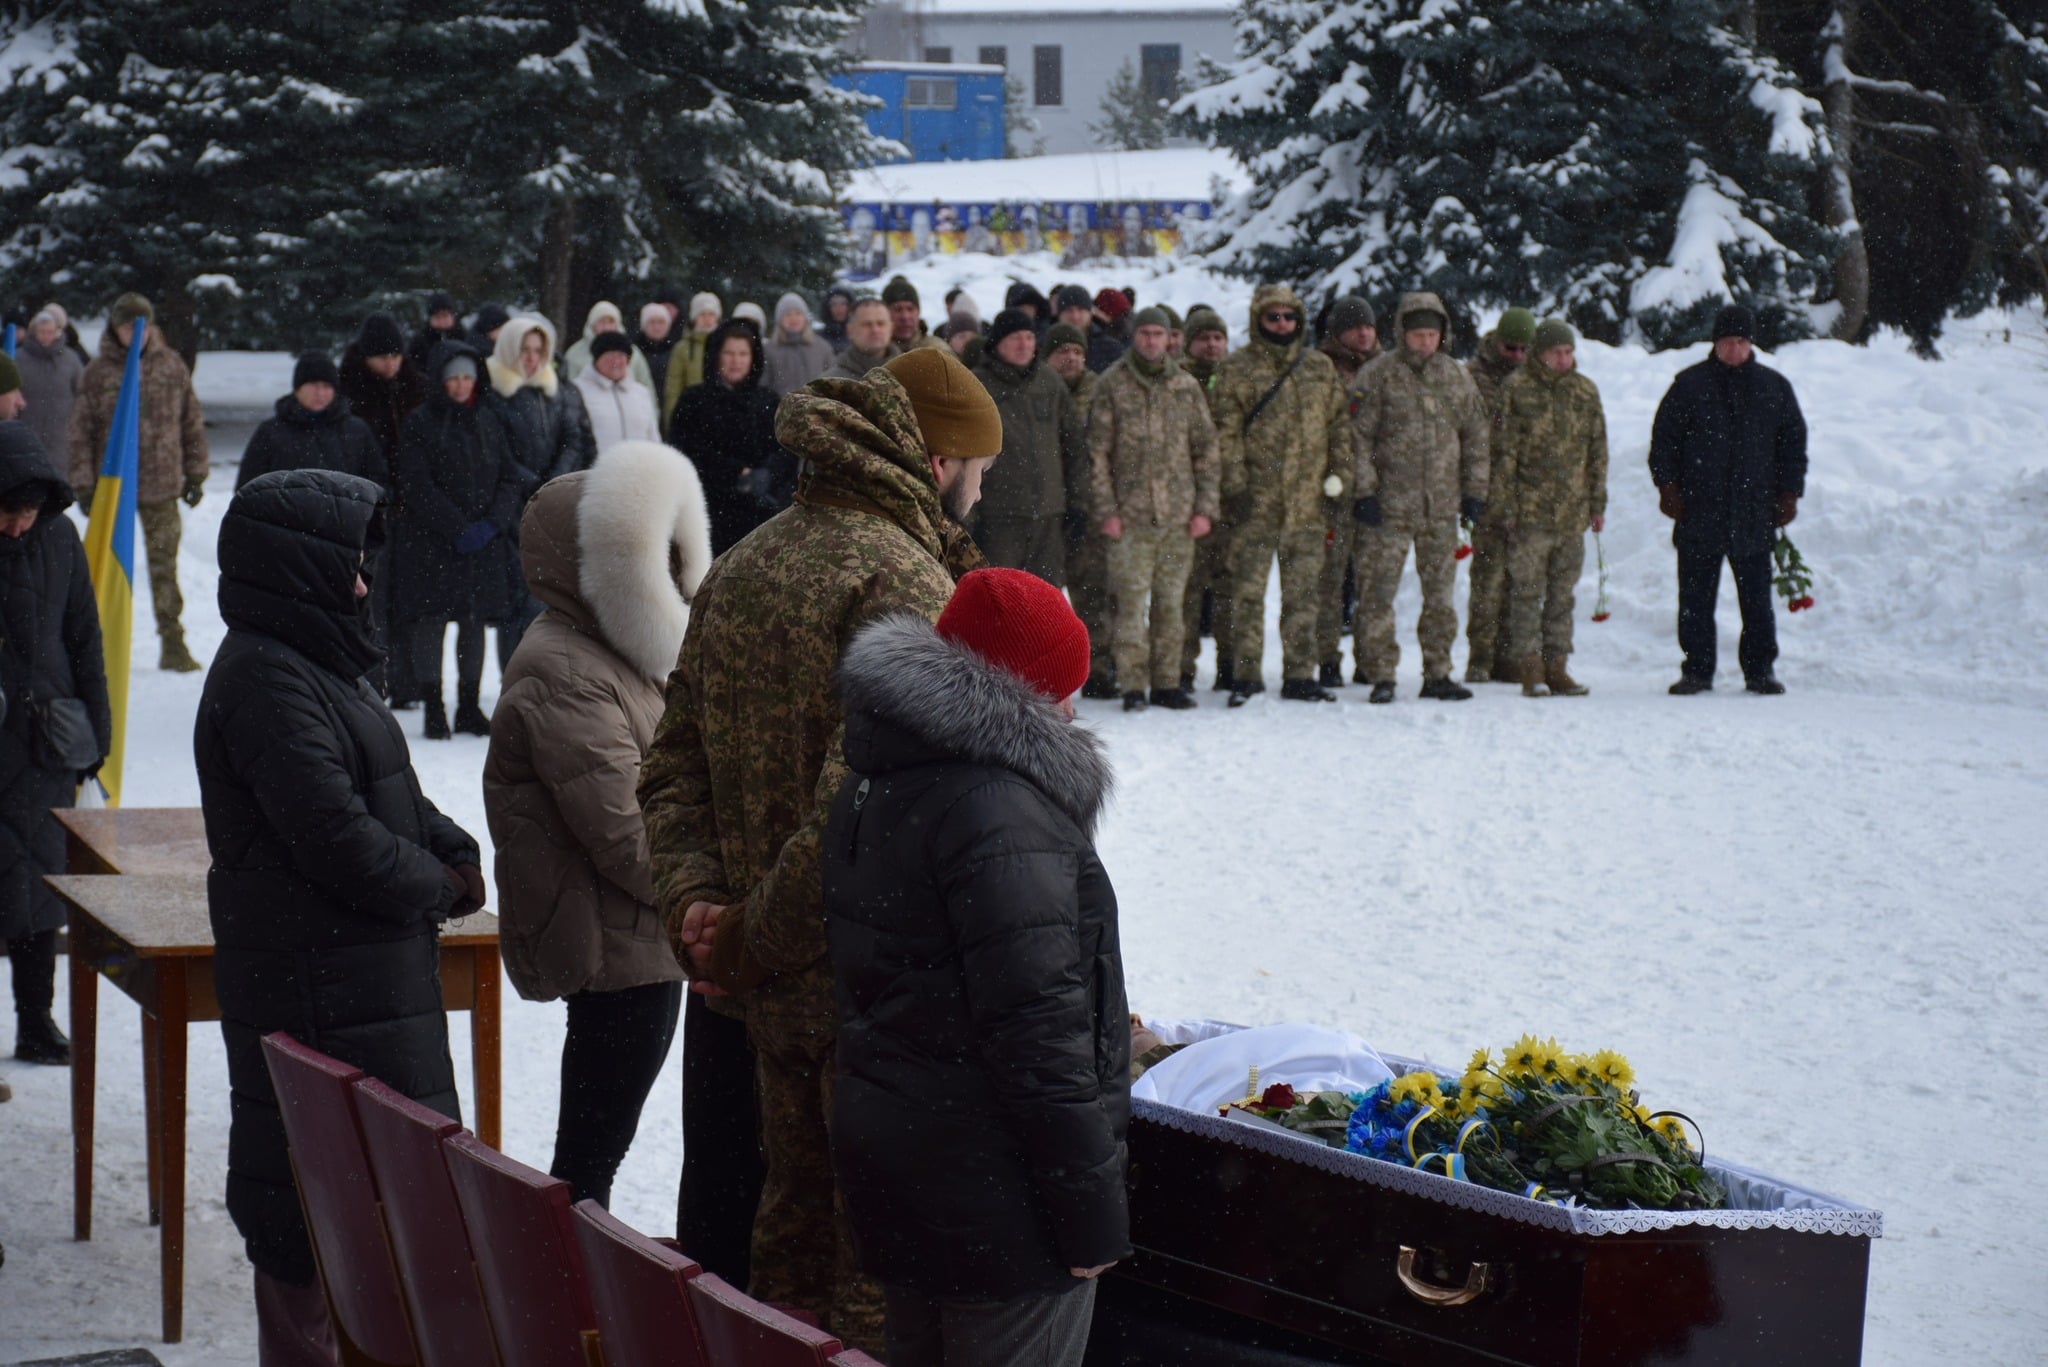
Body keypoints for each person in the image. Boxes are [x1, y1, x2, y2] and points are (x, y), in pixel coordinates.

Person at [638, 346, 996, 1352]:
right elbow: (862, 815)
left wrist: (697, 907)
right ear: (936, 463)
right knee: (858, 1299)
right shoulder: (906, 580)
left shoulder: (744, 560)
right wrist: (741, 938)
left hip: (738, 1012)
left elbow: (671, 767)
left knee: (754, 1281)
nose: (981, 492)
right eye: (978, 469)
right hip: (857, 1013)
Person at [194, 467, 484, 1367]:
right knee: (311, 1226)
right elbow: (337, 837)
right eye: (348, 566)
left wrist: (451, 845)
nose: (362, 584)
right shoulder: (264, 678)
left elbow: (391, 791)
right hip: (317, 992)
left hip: (362, 990)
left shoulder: (318, 661)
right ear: (297, 569)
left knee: (379, 1225)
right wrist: (436, 884)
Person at [824, 568, 1128, 1367]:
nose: (1074, 709)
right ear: (1025, 690)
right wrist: (1091, 1218)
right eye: (1065, 687)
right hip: (1003, 1208)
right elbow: (1038, 1036)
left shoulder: (881, 777)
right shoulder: (1002, 811)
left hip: (907, 1176)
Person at [483, 442, 711, 1207]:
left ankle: (568, 1261)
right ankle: (564, 1271)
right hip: (613, 947)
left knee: (594, 1151)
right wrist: (711, 889)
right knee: (589, 1161)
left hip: (638, 938)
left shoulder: (615, 650)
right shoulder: (565, 668)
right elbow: (625, 833)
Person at [0, 424, 110, 1066]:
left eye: (26, 514)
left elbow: (84, 635)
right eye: (7, 513)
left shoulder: (61, 537)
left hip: (45, 742)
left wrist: (97, 732)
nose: (17, 526)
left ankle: (35, 1020)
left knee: (36, 892)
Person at [1650, 303, 1807, 696]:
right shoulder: (1689, 386)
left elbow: (1793, 445)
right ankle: (1697, 670)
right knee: (1695, 599)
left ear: (1751, 344)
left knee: (1756, 600)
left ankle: (1760, 670)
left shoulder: (1774, 388)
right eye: (1726, 342)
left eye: (1741, 341)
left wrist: (1789, 493)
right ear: (1715, 343)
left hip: (1754, 512)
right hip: (1698, 511)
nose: (1734, 349)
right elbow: (1664, 441)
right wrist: (1668, 488)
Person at [1350, 292, 1490, 705]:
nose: (1425, 342)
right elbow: (1358, 437)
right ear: (1402, 334)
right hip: (1388, 507)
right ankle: (1381, 672)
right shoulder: (1379, 374)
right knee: (1378, 592)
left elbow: (1476, 438)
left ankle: (1438, 671)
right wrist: (1364, 490)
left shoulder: (1456, 377)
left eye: (1432, 335)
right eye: (1418, 335)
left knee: (1441, 596)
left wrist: (1474, 492)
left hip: (1441, 507)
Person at [1212, 285, 1349, 705]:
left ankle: (1300, 673)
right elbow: (1226, 434)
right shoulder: (1237, 369)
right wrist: (1236, 487)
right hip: (1256, 504)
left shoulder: (1319, 368)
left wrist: (1339, 476)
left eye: (1289, 317)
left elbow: (1338, 428)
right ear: (1259, 319)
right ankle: (1245, 673)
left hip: (1307, 504)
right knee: (1247, 593)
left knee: (1304, 594)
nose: (1282, 324)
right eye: (1273, 317)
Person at [66, 293, 210, 672]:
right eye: (127, 327)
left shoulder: (171, 365)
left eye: (140, 326)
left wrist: (196, 472)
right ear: (115, 329)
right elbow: (79, 432)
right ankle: (96, 645)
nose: (135, 333)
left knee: (165, 569)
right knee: (105, 568)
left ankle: (173, 642)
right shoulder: (98, 373)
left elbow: (191, 422)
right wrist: (83, 485)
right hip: (113, 488)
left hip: (162, 485)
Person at [392, 343, 526, 739]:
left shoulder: (488, 418)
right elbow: (417, 484)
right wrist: (455, 527)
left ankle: (468, 705)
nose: (461, 385)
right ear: (440, 380)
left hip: (483, 543)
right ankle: (433, 705)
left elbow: (509, 477)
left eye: (468, 377)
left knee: (473, 622)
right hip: (433, 542)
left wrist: (492, 523)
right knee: (431, 623)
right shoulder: (420, 423)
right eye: (454, 378)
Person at [1088, 308, 1219, 711]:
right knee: (1130, 606)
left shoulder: (1185, 386)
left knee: (1171, 605)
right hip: (1130, 519)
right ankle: (1132, 684)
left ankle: (1167, 682)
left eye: (1157, 334)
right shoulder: (1112, 384)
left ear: (1168, 338)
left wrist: (1204, 508)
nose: (1150, 340)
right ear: (1134, 336)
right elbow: (1097, 453)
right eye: (1144, 333)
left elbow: (1206, 450)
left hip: (1178, 517)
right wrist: (1106, 509)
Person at [1490, 320, 1608, 698]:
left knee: (1562, 595)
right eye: (1557, 352)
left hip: (1571, 513)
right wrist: (1506, 504)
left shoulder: (1584, 391)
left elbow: (1597, 451)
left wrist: (1597, 502)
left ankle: (1558, 666)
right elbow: (1504, 452)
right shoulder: (1517, 389)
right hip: (1530, 512)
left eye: (1568, 352)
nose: (1563, 359)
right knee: (1527, 592)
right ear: (1540, 353)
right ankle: (1530, 667)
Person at [486, 316, 596, 663]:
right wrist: (529, 482)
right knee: (515, 603)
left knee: (550, 600)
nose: (532, 358)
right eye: (525, 350)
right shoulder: (493, 392)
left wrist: (554, 482)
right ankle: (514, 676)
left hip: (554, 506)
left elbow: (575, 439)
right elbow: (495, 449)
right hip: (510, 507)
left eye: (538, 350)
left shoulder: (558, 390)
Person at [340, 314, 429, 707]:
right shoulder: (350, 391)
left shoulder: (416, 386)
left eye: (396, 355)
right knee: (372, 599)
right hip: (370, 508)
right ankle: (374, 681)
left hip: (413, 508)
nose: (391, 363)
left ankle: (408, 682)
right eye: (382, 357)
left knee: (408, 599)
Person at [969, 309, 1085, 587]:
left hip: (1048, 515)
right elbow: (963, 454)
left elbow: (1074, 446)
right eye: (1015, 338)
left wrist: (1079, 503)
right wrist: (968, 516)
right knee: (999, 594)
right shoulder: (977, 385)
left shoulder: (1049, 381)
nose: (1024, 345)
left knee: (1046, 596)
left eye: (1029, 337)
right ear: (998, 343)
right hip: (998, 518)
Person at [667, 319, 788, 555]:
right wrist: (734, 472)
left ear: (753, 358)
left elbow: (785, 449)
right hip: (709, 512)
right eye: (729, 353)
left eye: (743, 354)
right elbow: (685, 450)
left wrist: (767, 474)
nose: (736, 361)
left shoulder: (768, 400)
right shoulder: (694, 400)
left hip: (760, 513)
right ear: (716, 356)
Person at [1463, 306, 1537, 684]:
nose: (1518, 356)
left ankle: (1509, 657)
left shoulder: (1537, 380)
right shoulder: (1471, 378)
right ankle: (1480, 657)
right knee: (1487, 581)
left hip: (1526, 495)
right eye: (1511, 348)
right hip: (1487, 493)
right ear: (1496, 343)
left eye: (1526, 349)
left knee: (1520, 581)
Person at [1048, 320, 1118, 698]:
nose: (1071, 358)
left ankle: (1099, 667)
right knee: (1046, 597)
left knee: (1094, 592)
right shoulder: (1041, 390)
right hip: (1048, 507)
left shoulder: (1100, 390)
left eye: (1077, 351)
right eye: (1063, 351)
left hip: (1090, 509)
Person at [1314, 296, 1381, 688]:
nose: (1364, 333)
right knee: (1330, 582)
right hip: (1332, 492)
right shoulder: (1321, 369)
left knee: (1373, 583)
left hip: (1376, 494)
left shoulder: (1387, 369)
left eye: (1369, 326)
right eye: (1355, 327)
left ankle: (1370, 659)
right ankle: (1326, 658)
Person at [1178, 309, 1233, 690]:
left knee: (1231, 589)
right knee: (1188, 590)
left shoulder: (1238, 376)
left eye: (1218, 338)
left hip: (1233, 500)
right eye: (1203, 338)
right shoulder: (1177, 381)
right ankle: (1181, 668)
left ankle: (1232, 666)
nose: (1212, 345)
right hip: (1188, 504)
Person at [236, 353, 387, 492]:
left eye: (326, 386)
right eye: (312, 385)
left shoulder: (356, 430)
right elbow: (248, 489)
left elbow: (377, 483)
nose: (319, 393)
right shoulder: (271, 432)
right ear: (297, 389)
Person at [16, 308, 84, 465]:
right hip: (27, 436)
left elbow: (81, 394)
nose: (46, 336)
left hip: (62, 439)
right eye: (42, 332)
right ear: (34, 332)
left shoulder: (71, 360)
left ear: (57, 332)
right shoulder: (19, 359)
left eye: (50, 332)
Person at [574, 332, 663, 451]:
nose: (615, 362)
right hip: (597, 462)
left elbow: (653, 437)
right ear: (596, 359)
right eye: (609, 356)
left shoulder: (641, 393)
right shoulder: (578, 391)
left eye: (621, 356)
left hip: (637, 462)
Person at [662, 292, 724, 426]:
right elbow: (673, 389)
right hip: (692, 417)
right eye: (702, 314)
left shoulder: (725, 345)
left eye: (711, 314)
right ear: (694, 318)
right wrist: (673, 421)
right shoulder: (682, 348)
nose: (707, 319)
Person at [562, 301, 655, 389]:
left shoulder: (633, 352)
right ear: (592, 325)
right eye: (601, 322)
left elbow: (645, 385)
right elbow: (569, 387)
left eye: (611, 321)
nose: (606, 327)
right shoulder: (575, 353)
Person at [763, 293, 836, 396]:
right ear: (780, 320)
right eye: (788, 314)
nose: (793, 318)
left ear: (805, 317)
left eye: (798, 313)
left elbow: (834, 380)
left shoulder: (822, 347)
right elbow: (764, 385)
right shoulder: (769, 350)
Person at [824, 297, 898, 381]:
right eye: (867, 324)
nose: (875, 330)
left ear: (891, 328)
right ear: (850, 331)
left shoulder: (907, 372)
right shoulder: (831, 383)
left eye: (881, 323)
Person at [633, 303, 680, 413]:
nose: (656, 327)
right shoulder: (635, 351)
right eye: (652, 322)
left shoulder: (675, 350)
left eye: (661, 322)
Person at [407, 291, 465, 374]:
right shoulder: (420, 341)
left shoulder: (463, 336)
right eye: (437, 317)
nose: (442, 321)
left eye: (445, 316)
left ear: (452, 316)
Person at [881, 276, 942, 351]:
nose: (905, 316)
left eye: (910, 309)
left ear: (918, 312)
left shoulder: (936, 350)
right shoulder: (874, 351)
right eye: (898, 310)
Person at [819, 286, 856, 353]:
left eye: (843, 304)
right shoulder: (819, 338)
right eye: (834, 304)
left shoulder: (859, 334)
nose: (839, 308)